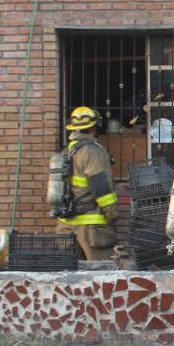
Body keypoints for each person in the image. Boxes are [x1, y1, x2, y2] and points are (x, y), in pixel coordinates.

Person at [55, 106, 119, 261]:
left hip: (65, 226)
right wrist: (112, 214)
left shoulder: (67, 150)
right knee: (100, 276)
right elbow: (101, 188)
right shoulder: (92, 151)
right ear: (93, 128)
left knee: (69, 277)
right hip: (92, 229)